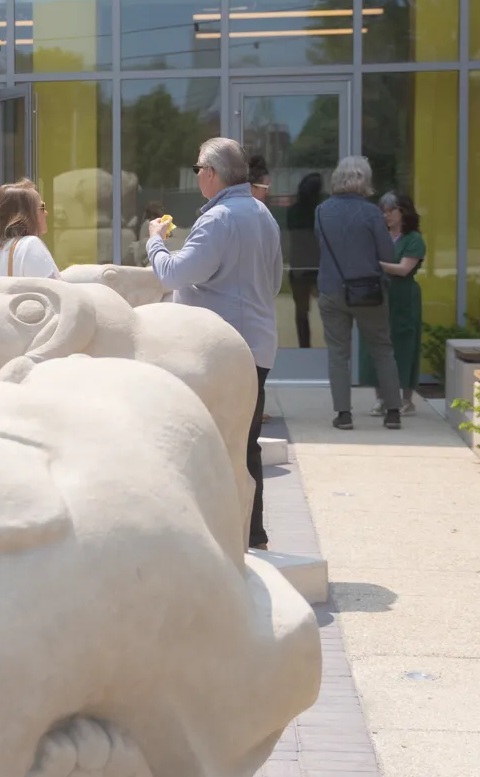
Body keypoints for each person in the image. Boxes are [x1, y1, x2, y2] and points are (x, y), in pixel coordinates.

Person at [143, 137, 283, 551]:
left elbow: (172, 274)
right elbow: (274, 282)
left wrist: (154, 239)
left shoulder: (219, 218)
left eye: (197, 170)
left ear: (211, 172)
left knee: (208, 444)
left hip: (216, 352)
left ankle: (214, 538)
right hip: (256, 345)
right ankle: (251, 535)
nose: (197, 177)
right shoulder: (262, 213)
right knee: (245, 442)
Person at [315, 156, 403, 431]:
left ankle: (343, 414)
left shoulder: (322, 210)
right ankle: (393, 412)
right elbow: (387, 254)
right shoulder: (371, 213)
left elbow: (323, 247)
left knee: (338, 354)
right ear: (365, 180)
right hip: (368, 291)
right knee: (382, 350)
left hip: (331, 289)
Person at [359, 192, 427, 416]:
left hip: (404, 298)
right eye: (384, 212)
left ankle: (406, 399)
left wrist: (375, 262)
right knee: (377, 345)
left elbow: (404, 269)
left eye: (391, 211)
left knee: (404, 345)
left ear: (403, 212)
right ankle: (381, 399)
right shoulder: (381, 235)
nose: (386, 216)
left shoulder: (413, 239)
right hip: (380, 295)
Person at [0, 179, 60, 295]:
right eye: (42, 207)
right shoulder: (29, 245)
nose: (46, 213)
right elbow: (57, 296)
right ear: (25, 214)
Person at [284, 171, 324, 350]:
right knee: (330, 310)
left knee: (301, 313)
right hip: (320, 266)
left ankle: (304, 348)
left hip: (299, 267)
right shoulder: (322, 212)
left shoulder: (293, 212)